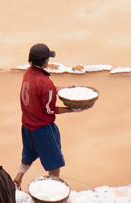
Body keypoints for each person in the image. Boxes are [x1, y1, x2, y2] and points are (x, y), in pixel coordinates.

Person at [13, 43, 83, 190]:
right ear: (45, 61)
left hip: (27, 124)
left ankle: (17, 181)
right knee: (55, 162)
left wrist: (62, 88)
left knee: (28, 154)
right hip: (43, 128)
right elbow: (50, 110)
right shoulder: (45, 83)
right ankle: (53, 190)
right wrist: (72, 109)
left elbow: (40, 93)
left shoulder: (28, 73)